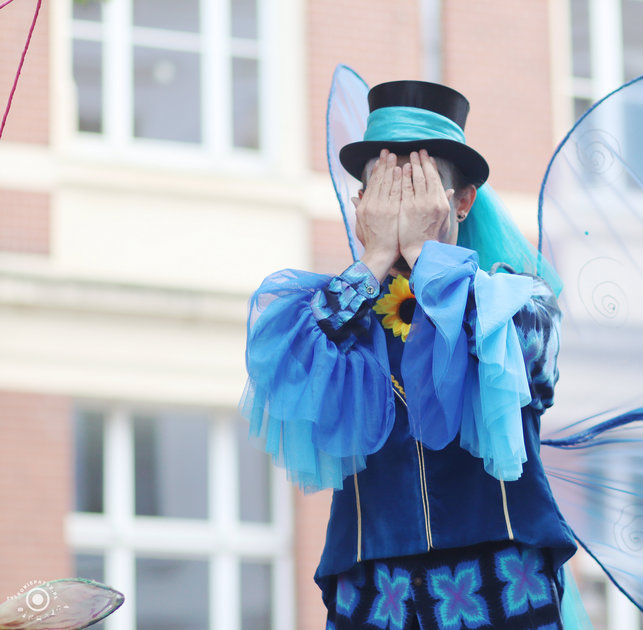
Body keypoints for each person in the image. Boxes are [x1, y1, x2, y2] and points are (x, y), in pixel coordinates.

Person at [241, 80, 577, 630]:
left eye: (417, 191)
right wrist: (375, 258)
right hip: (375, 590)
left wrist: (425, 253)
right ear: (361, 204)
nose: (400, 210)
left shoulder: (514, 298)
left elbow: (530, 365)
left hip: (499, 580)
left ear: (462, 201)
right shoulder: (339, 314)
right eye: (383, 192)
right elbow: (282, 374)